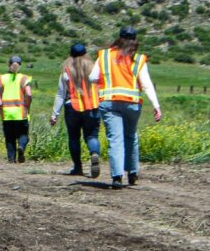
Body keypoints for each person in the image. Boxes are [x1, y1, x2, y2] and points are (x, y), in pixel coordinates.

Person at [92, 27, 161, 188]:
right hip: (132, 103)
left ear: (119, 38)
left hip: (109, 103)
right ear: (135, 40)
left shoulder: (105, 56)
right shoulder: (138, 59)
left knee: (115, 139)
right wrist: (156, 105)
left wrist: (104, 82)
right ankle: (132, 172)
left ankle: (117, 177)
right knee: (131, 136)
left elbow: (93, 77)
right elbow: (146, 84)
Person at [51, 41, 101, 179]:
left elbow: (61, 95)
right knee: (92, 136)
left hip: (72, 107)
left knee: (74, 138)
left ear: (70, 56)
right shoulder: (94, 69)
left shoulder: (66, 72)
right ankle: (94, 153)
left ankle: (78, 167)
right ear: (86, 54)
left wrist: (54, 114)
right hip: (93, 106)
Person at [0, 55, 34, 163]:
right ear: (20, 65)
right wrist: (27, 105)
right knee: (23, 135)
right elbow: (29, 94)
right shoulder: (24, 78)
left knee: (9, 137)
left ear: (8, 64)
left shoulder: (0, 78)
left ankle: (11, 159)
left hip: (6, 113)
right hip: (21, 112)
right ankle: (21, 146)